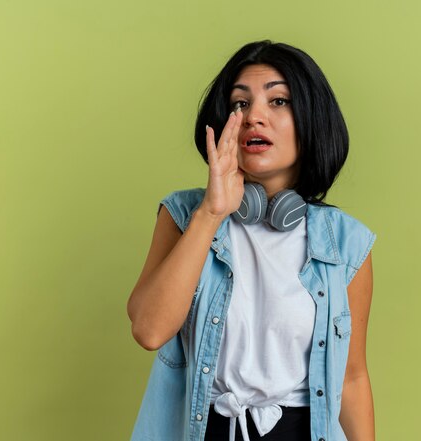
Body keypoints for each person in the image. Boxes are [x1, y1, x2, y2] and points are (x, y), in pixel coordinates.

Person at [127, 40, 377, 441]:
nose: (253, 117)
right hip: (203, 429)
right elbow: (149, 330)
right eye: (240, 104)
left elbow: (351, 377)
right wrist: (211, 212)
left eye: (279, 101)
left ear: (311, 119)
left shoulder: (345, 244)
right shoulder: (185, 214)